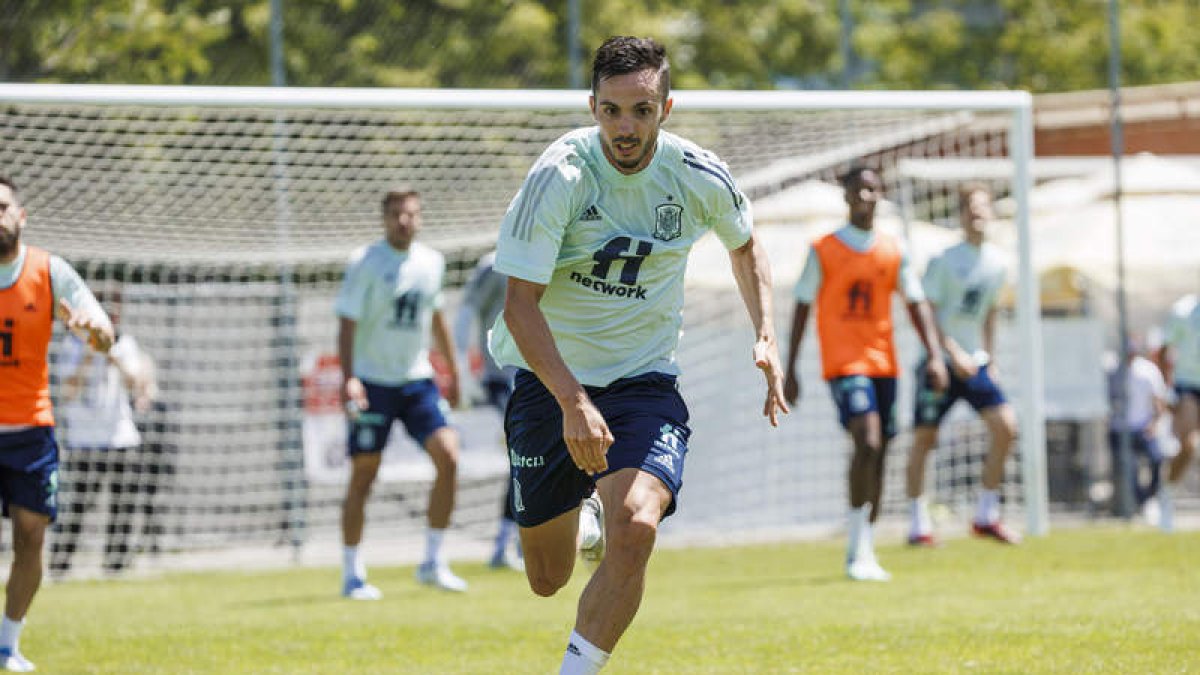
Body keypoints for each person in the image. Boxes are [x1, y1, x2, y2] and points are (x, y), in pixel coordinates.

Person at [488, 36, 787, 674]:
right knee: (547, 577)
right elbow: (520, 306)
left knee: (640, 523)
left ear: (667, 108)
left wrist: (765, 332)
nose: (626, 128)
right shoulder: (559, 176)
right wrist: (573, 402)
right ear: (592, 105)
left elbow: (745, 244)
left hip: (643, 382)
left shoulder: (697, 174)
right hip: (551, 382)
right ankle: (585, 517)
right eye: (613, 111)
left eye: (642, 111)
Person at [782, 166, 947, 582]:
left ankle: (865, 545)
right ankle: (857, 549)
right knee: (867, 439)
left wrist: (936, 355)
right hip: (844, 364)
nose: (866, 196)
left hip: (884, 365)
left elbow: (916, 302)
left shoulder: (893, 249)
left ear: (881, 195)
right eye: (859, 190)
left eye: (873, 189)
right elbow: (803, 305)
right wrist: (791, 367)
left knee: (882, 450)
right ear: (847, 197)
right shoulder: (824, 249)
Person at [0, 175, 114, 672]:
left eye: (3, 206)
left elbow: (102, 330)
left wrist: (95, 332)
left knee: (31, 535)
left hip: (31, 429)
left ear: (21, 216)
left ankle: (8, 643)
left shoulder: (50, 271)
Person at [335, 188, 466, 599]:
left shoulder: (432, 262)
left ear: (420, 217)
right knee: (364, 475)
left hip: (416, 381)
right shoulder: (365, 262)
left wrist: (454, 370)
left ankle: (432, 560)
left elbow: (437, 317)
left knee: (449, 456)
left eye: (410, 214)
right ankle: (352, 572)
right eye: (395, 214)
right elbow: (347, 323)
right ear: (384, 219)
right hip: (373, 383)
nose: (404, 221)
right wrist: (349, 377)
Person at [904, 184, 1020, 547]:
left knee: (1006, 427)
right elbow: (929, 314)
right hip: (939, 363)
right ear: (960, 215)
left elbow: (988, 313)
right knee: (925, 439)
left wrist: (991, 358)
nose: (978, 213)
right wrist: (951, 354)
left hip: (977, 364)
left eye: (983, 207)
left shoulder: (999, 263)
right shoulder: (943, 260)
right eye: (971, 207)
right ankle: (917, 524)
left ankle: (986, 515)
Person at [50, 289, 156, 577]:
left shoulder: (125, 344)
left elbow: (137, 386)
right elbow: (67, 392)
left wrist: (114, 357)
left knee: (123, 506)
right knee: (78, 507)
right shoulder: (73, 345)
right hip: (85, 440)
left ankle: (116, 566)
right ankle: (60, 566)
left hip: (121, 437)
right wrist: (89, 354)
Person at [453, 250, 523, 571]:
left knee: (542, 456)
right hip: (503, 377)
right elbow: (468, 310)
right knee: (524, 455)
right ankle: (506, 544)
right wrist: (463, 370)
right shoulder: (494, 263)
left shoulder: (558, 253)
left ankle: (517, 542)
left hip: (545, 374)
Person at [1106, 335, 1170, 523]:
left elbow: (1159, 400)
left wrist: (1154, 423)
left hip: (1143, 427)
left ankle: (1149, 497)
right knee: (1130, 468)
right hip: (1120, 429)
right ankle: (1141, 502)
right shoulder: (1112, 370)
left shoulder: (1148, 371)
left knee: (1157, 459)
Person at [1160, 293, 1200, 530]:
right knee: (1189, 445)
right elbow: (1164, 351)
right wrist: (1167, 389)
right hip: (1188, 386)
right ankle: (1167, 493)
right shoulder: (1183, 311)